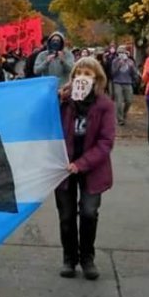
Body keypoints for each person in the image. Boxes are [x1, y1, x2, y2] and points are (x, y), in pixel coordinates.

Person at [55, 58, 115, 280]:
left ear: (97, 78)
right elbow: (40, 120)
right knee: (67, 216)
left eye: (87, 73)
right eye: (78, 72)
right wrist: (56, 99)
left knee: (89, 213)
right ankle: (69, 258)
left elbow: (106, 142)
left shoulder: (105, 105)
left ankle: (87, 258)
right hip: (63, 168)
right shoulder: (64, 102)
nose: (82, 77)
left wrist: (81, 164)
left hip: (91, 169)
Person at [111, 47, 137, 125]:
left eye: (123, 52)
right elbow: (113, 73)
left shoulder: (130, 61)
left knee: (129, 101)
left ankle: (124, 113)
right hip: (117, 83)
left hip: (128, 82)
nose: (121, 54)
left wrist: (132, 67)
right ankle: (120, 119)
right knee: (119, 102)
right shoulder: (115, 61)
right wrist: (119, 65)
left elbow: (134, 73)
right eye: (120, 52)